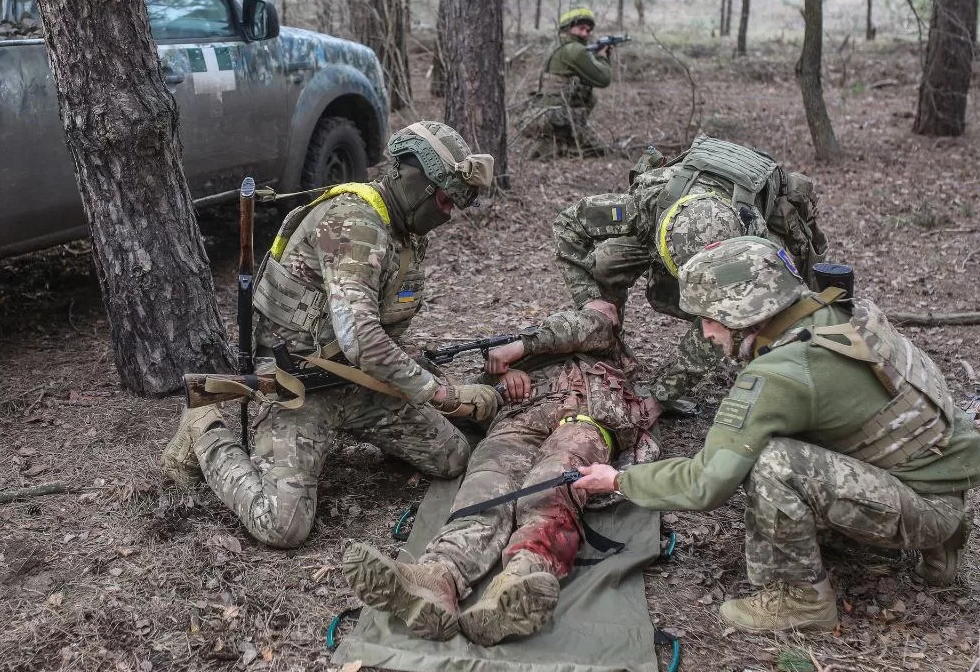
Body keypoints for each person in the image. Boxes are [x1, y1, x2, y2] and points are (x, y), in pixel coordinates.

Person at [572, 237, 980, 633]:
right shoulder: (838, 312)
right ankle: (945, 541)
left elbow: (705, 484)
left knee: (771, 462)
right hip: (945, 476)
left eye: (708, 319)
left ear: (741, 316)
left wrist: (617, 480)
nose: (704, 334)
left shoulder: (781, 374)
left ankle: (802, 600)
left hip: (922, 507)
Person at [161, 121, 501, 549]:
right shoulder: (353, 224)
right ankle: (203, 428)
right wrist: (436, 393)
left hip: (358, 383)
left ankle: (362, 431)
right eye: (444, 198)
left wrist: (419, 374)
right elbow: (360, 336)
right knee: (282, 526)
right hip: (297, 386)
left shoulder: (404, 233)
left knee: (453, 457)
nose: (447, 213)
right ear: (414, 180)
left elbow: (380, 334)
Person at [342, 301, 661, 645]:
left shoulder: (603, 344)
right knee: (486, 483)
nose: (602, 311)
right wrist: (498, 382)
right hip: (518, 420)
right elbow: (468, 404)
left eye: (605, 311)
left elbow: (589, 323)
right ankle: (438, 576)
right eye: (593, 306)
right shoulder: (517, 357)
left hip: (583, 418)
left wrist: (516, 351)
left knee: (552, 483)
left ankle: (521, 578)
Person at [552, 135, 829, 408]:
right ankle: (606, 349)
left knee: (743, 315)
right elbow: (568, 223)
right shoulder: (644, 205)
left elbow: (718, 322)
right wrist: (589, 299)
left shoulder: (751, 246)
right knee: (605, 264)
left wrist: (660, 398)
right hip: (664, 221)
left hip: (730, 235)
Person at [517, 7, 613, 158]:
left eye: (588, 30)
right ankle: (559, 145)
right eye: (581, 28)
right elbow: (603, 79)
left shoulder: (557, 45)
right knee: (598, 151)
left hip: (537, 113)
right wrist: (603, 56)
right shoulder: (575, 49)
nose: (585, 34)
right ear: (568, 27)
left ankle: (554, 142)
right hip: (556, 117)